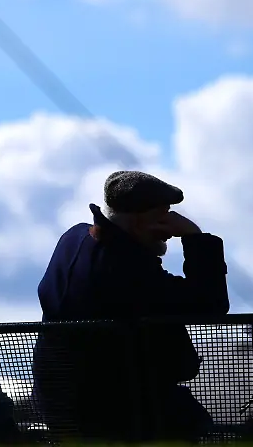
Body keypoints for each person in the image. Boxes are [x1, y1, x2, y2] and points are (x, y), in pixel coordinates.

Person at [32, 170, 230, 442]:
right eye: (162, 218)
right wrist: (195, 237)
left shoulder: (74, 240)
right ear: (138, 222)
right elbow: (212, 304)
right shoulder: (127, 270)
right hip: (121, 418)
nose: (171, 228)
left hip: (62, 413)